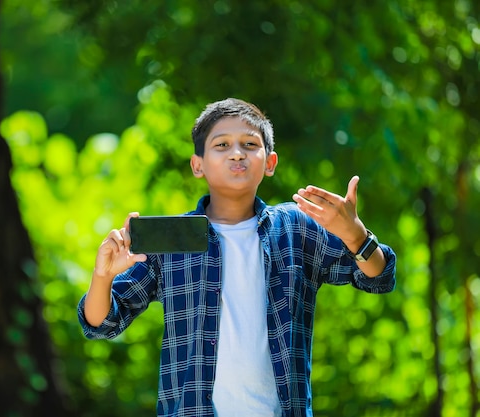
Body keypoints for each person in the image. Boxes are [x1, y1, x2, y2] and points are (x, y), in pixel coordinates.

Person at [77, 98, 396, 417]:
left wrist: (356, 235)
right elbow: (101, 323)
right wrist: (103, 275)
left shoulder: (297, 229)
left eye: (249, 144)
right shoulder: (172, 240)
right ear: (197, 164)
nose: (237, 153)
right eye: (222, 144)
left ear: (269, 163)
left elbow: (378, 277)